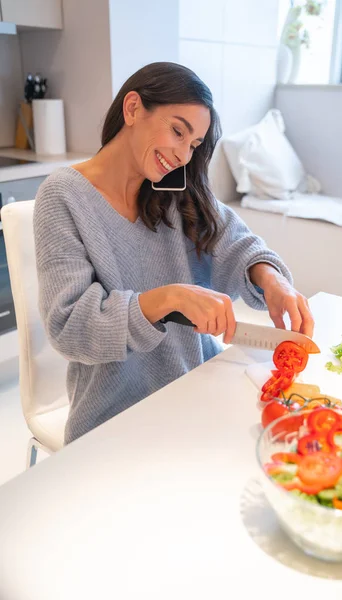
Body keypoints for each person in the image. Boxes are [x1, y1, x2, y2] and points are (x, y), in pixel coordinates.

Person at [34, 62, 314, 445]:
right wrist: (168, 299)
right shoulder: (63, 195)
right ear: (132, 109)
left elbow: (234, 240)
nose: (183, 154)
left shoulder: (172, 187)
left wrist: (271, 279)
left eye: (194, 144)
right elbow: (70, 328)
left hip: (197, 383)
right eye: (177, 131)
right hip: (116, 414)